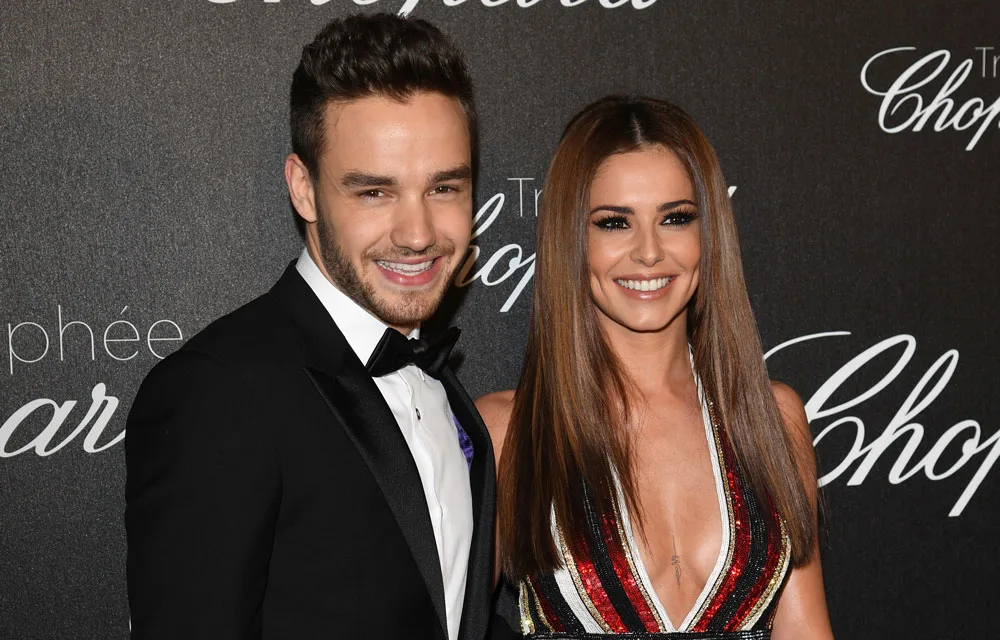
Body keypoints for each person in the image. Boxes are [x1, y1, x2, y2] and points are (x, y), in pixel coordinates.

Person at [125, 14, 494, 640]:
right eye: (374, 192)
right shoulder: (218, 394)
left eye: (444, 187)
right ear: (304, 188)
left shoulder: (438, 383)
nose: (419, 234)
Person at [478, 96, 833, 639]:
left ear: (707, 234)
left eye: (675, 218)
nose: (648, 252)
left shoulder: (772, 421)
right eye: (615, 223)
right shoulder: (509, 432)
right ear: (573, 239)